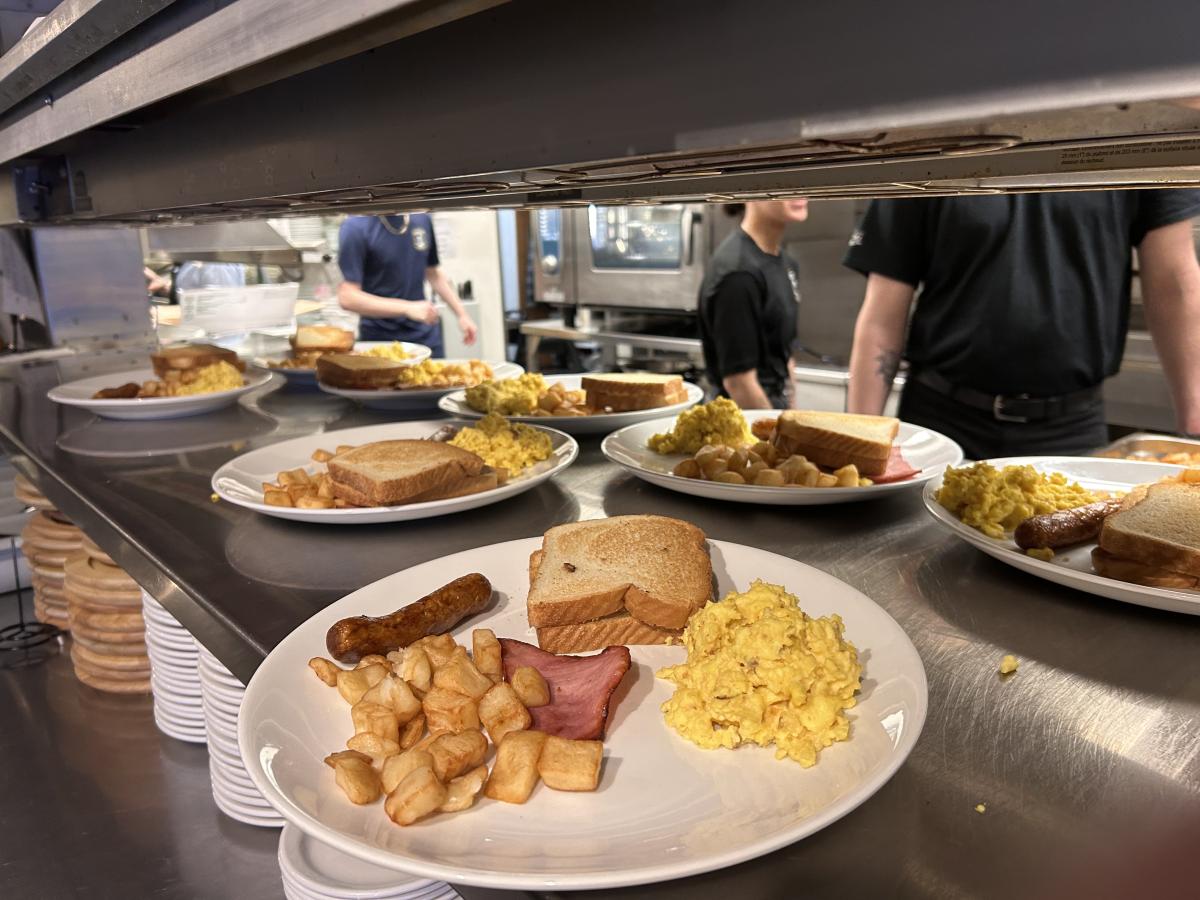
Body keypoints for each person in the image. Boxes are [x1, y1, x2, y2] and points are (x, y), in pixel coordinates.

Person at [842, 191, 1200, 458]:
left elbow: (1176, 282)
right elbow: (882, 315)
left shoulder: (1127, 135)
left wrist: (1194, 422)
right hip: (941, 422)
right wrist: (858, 444)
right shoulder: (934, 143)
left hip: (1070, 430)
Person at [697, 200, 809, 409]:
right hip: (742, 418)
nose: (799, 193)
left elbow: (785, 354)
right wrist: (773, 429)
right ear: (751, 190)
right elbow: (739, 384)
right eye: (785, 185)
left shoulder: (786, 262)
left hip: (775, 407)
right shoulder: (738, 274)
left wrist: (790, 415)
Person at [336, 213, 476, 357]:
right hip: (381, 342)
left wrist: (462, 314)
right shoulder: (355, 226)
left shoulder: (421, 217)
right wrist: (407, 308)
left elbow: (432, 273)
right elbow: (348, 297)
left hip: (425, 336)